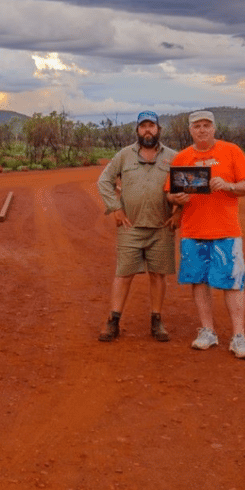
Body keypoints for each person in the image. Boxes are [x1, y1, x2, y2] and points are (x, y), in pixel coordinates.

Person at [166, 110, 245, 359]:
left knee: (233, 282)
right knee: (199, 281)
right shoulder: (183, 157)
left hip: (226, 231)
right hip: (193, 231)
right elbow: (170, 193)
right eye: (197, 126)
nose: (202, 130)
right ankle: (207, 331)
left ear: (214, 128)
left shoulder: (231, 151)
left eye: (207, 125)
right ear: (190, 130)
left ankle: (239, 336)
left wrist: (229, 186)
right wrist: (176, 197)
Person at [97, 110, 179, 342]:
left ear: (159, 129)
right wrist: (116, 208)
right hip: (130, 227)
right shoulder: (124, 155)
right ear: (137, 130)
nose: (147, 130)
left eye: (151, 126)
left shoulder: (174, 157)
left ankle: (156, 320)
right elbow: (104, 181)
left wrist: (179, 213)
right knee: (123, 274)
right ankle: (113, 321)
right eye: (143, 126)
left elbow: (186, 187)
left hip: (161, 227)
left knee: (158, 275)